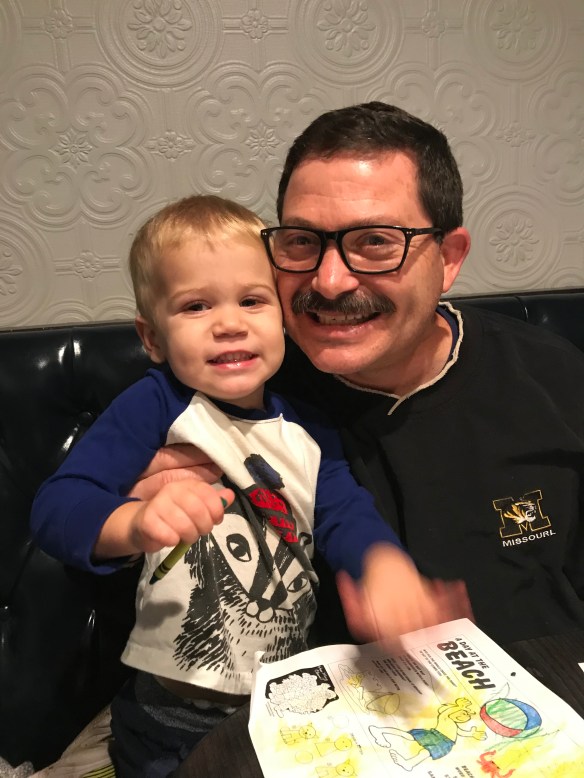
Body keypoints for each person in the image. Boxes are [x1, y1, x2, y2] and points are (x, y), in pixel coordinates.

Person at [30, 194, 468, 777]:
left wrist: (385, 567)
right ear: (152, 338)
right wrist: (133, 522)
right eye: (196, 306)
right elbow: (57, 506)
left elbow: (344, 513)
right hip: (173, 707)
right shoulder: (155, 405)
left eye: (252, 300)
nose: (229, 323)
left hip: (285, 692)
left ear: (281, 316)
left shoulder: (308, 426)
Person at [135, 102, 584, 648]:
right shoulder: (229, 387)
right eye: (302, 241)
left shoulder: (551, 377)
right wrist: (136, 522)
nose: (329, 281)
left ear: (448, 258)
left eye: (374, 242)